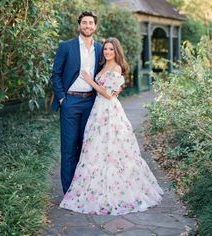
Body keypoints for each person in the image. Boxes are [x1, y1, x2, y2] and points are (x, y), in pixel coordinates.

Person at [59, 37, 164, 215]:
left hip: (109, 111)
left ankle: (115, 189)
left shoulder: (116, 68)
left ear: (116, 51)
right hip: (97, 110)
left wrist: (90, 81)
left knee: (111, 149)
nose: (107, 52)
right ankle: (92, 188)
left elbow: (109, 94)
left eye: (111, 50)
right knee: (95, 148)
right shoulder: (103, 66)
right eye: (105, 49)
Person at [51, 11, 102, 194]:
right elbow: (56, 73)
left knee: (86, 146)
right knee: (69, 147)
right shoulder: (66, 46)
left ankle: (83, 189)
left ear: (95, 26)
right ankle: (68, 192)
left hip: (90, 103)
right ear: (79, 25)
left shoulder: (100, 48)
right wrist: (62, 98)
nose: (88, 26)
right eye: (84, 22)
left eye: (91, 23)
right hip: (70, 101)